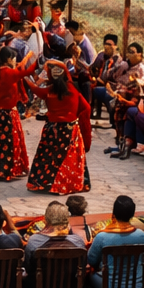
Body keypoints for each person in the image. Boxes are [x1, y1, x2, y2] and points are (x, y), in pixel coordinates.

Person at [26, 61, 93, 195]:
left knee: (47, 157)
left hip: (52, 129)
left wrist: (25, 78)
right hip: (71, 129)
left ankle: (45, 183)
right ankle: (68, 183)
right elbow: (87, 107)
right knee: (68, 158)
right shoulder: (73, 89)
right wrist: (77, 116)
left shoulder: (48, 91)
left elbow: (35, 89)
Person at [0, 46, 40, 182]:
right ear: (9, 59)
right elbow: (28, 70)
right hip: (8, 114)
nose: (15, 60)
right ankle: (8, 169)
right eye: (14, 58)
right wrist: (34, 58)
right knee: (10, 143)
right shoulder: (11, 74)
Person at [85, 195, 144, 288]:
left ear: (113, 215)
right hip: (136, 287)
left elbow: (91, 260)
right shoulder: (142, 236)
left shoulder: (102, 237)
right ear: (132, 215)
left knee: (86, 274)